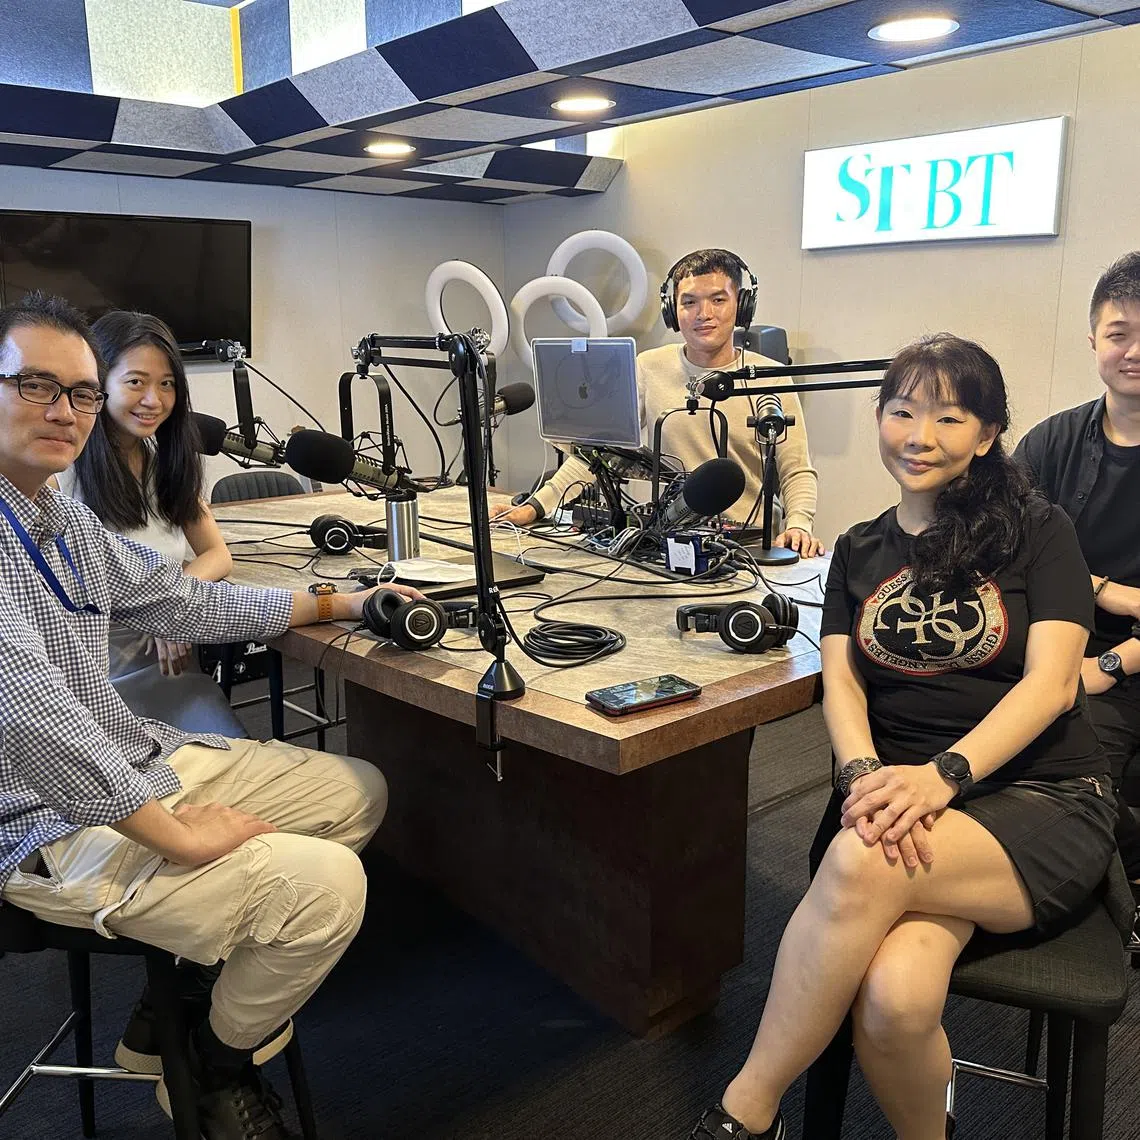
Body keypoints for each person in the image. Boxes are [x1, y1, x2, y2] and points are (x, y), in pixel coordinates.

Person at [0, 292, 424, 1140]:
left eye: (81, 392)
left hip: (135, 758)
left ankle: (180, 1011)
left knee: (358, 791)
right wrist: (178, 833)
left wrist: (339, 600)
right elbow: (32, 717)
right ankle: (215, 1062)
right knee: (329, 890)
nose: (66, 411)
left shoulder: (58, 516)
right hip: (40, 821)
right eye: (37, 384)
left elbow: (178, 601)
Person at [690, 334, 1115, 1140]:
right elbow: (843, 680)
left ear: (987, 435)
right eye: (902, 411)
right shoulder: (858, 548)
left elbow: (1054, 683)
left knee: (859, 857)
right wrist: (859, 773)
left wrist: (943, 774)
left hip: (1041, 797)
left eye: (949, 418)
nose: (920, 436)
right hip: (905, 804)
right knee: (895, 998)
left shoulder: (1039, 529)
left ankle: (745, 1112)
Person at [493, 248, 824, 556]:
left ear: (742, 305)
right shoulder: (647, 367)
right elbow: (599, 455)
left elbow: (795, 468)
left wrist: (799, 525)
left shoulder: (769, 376)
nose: (703, 314)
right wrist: (536, 506)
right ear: (672, 310)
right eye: (689, 302)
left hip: (747, 543)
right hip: (668, 540)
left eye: (718, 299)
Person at [1014, 250, 1140, 905]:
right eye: (1120, 334)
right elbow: (1004, 548)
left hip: (1122, 667)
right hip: (1051, 639)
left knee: (1080, 752)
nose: (1134, 351)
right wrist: (1107, 591)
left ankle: (1100, 909)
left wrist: (1113, 663)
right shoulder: (1051, 442)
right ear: (1094, 340)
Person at [55, 310, 231, 682]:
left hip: (172, 659)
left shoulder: (166, 463)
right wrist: (158, 608)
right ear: (98, 383)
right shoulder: (61, 473)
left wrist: (169, 610)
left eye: (167, 384)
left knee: (231, 740)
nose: (154, 400)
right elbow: (75, 583)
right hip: (96, 673)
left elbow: (217, 554)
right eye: (136, 381)